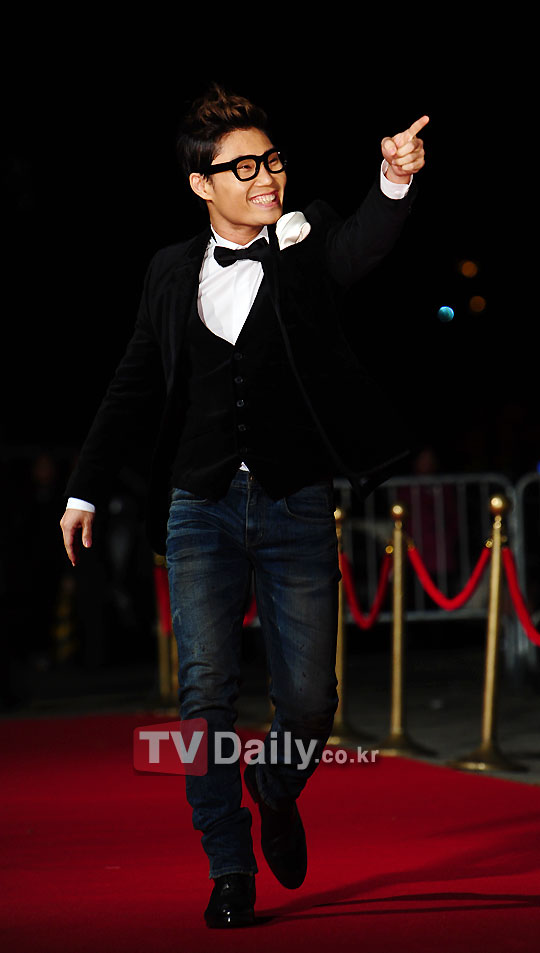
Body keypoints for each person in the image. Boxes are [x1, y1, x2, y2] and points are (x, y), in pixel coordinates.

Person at [60, 84, 428, 928]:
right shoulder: (168, 269)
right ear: (202, 184)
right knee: (204, 696)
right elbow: (132, 383)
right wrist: (84, 486)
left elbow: (364, 246)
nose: (268, 177)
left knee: (310, 700)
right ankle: (228, 866)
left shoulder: (306, 242)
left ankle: (275, 780)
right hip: (201, 507)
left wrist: (395, 180)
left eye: (274, 160)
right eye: (246, 166)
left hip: (296, 503)